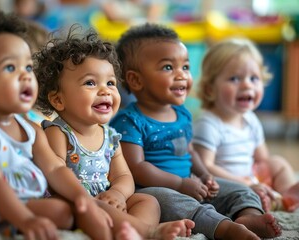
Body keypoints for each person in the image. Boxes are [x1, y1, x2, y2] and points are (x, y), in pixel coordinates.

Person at [0, 8, 114, 240]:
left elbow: (55, 168)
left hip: (26, 202)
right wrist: (25, 219)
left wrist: (81, 195)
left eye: (28, 67)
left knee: (85, 207)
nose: (25, 76)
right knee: (61, 211)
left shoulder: (30, 130)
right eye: (10, 68)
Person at [110, 23, 282, 240]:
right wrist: (180, 184)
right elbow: (136, 168)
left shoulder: (182, 114)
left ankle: (248, 215)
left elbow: (190, 151)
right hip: (149, 190)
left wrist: (204, 175)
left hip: (189, 181)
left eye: (185, 67)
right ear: (136, 79)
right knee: (177, 203)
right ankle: (223, 229)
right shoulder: (129, 120)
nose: (181, 75)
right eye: (168, 67)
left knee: (239, 190)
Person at [34, 23, 195, 240]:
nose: (105, 91)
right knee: (99, 206)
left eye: (110, 83)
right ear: (58, 99)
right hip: (74, 200)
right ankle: (147, 231)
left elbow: (123, 175)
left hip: (108, 198)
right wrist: (91, 199)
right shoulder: (58, 132)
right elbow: (54, 176)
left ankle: (132, 231)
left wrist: (117, 194)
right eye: (90, 83)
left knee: (147, 201)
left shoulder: (110, 136)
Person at [192, 37, 299, 213]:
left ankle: (284, 197)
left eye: (254, 78)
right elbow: (205, 167)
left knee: (277, 162)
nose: (246, 85)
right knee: (242, 195)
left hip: (250, 178)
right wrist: (246, 184)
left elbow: (262, 158)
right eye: (234, 78)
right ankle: (265, 201)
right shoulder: (208, 124)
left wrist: (258, 181)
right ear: (210, 88)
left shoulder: (250, 119)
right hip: (223, 184)